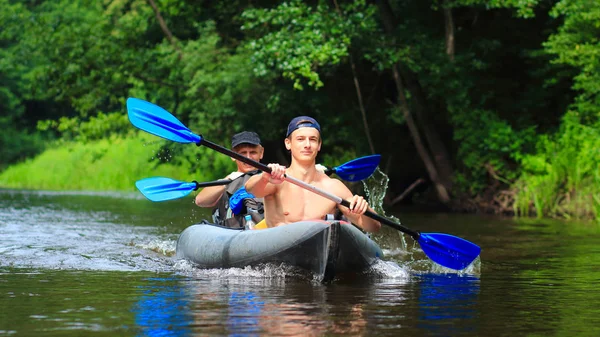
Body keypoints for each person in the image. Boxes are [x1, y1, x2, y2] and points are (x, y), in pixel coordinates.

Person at [245, 117, 381, 233]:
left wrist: (364, 208)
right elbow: (251, 188)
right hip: (278, 255)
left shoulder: (333, 187)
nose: (307, 145)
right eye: (300, 139)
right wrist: (264, 177)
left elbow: (374, 227)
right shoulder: (277, 179)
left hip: (315, 250)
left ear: (319, 145)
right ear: (288, 143)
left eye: (313, 139)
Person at [195, 131, 265, 228]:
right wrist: (228, 180)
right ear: (233, 155)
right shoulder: (227, 181)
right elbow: (200, 201)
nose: (248, 158)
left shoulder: (269, 178)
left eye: (253, 152)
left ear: (261, 153)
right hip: (234, 235)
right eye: (243, 153)